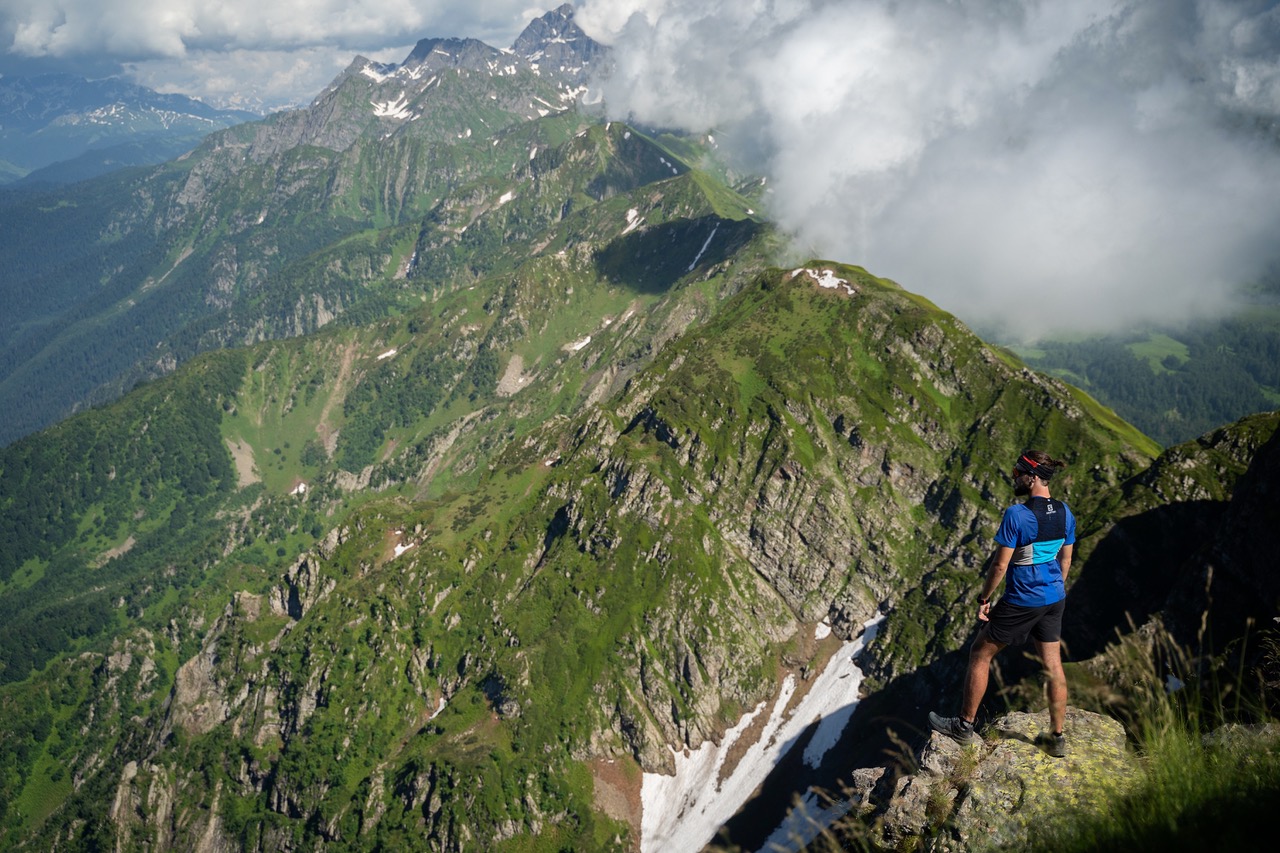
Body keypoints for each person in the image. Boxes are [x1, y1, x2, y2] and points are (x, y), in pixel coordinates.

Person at [928, 449, 1076, 758]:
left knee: (980, 654)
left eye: (1018, 472)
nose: (1014, 477)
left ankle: (964, 727)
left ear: (1032, 477)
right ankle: (1058, 737)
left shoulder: (1017, 515)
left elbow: (999, 567)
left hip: (1023, 599)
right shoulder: (1065, 512)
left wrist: (985, 599)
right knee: (1053, 666)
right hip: (1054, 598)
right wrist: (1053, 590)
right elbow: (1066, 560)